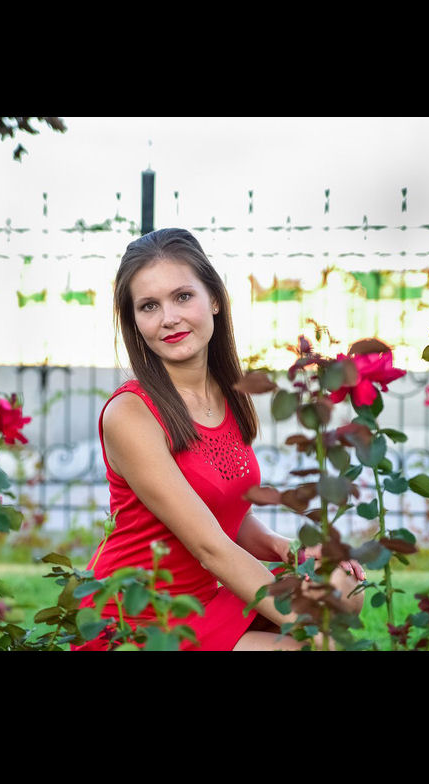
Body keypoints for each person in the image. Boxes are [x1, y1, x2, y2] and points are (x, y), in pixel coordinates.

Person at [71, 228, 364, 651]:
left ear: (214, 299)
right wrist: (307, 625)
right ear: (134, 321)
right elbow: (209, 546)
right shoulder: (131, 413)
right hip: (142, 617)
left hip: (204, 599)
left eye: (182, 296)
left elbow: (223, 510)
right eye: (149, 306)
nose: (169, 318)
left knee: (344, 585)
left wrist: (290, 550)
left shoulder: (225, 395)